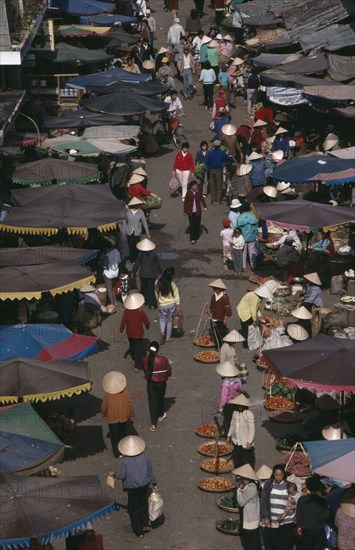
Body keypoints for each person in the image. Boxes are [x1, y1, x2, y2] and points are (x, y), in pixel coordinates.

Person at [108, 436, 158, 538]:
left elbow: (122, 475)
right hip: (144, 485)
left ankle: (139, 531)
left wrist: (114, 474)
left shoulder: (124, 461)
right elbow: (150, 471)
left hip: (132, 488)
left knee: (134, 509)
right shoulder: (145, 456)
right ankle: (145, 524)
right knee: (143, 505)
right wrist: (154, 484)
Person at [101, 371, 135, 458]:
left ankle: (116, 453)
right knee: (123, 434)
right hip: (124, 417)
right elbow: (130, 405)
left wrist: (104, 415)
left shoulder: (108, 395)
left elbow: (104, 407)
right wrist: (131, 414)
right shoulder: (126, 393)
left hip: (112, 418)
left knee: (114, 436)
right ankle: (123, 450)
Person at [261, 464, 294, 550]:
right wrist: (265, 516)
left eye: (280, 475)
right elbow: (264, 501)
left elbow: (294, 501)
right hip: (273, 520)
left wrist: (285, 513)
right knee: (273, 543)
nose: (278, 477)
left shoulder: (289, 485)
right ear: (273, 474)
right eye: (276, 475)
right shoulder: (268, 485)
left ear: (284, 475)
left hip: (286, 521)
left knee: (284, 545)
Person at [143, 341, 172, 432]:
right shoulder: (164, 359)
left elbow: (145, 370)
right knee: (160, 398)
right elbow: (169, 372)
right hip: (162, 383)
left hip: (151, 383)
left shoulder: (145, 359)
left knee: (152, 402)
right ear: (157, 349)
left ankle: (153, 424)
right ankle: (160, 414)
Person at [296, 476, 329, 550]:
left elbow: (299, 514)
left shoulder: (302, 499)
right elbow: (326, 515)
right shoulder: (322, 500)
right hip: (319, 529)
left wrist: (299, 526)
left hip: (306, 529)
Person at [119, 293, 150, 372]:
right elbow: (145, 320)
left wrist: (121, 331)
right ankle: (138, 366)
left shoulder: (126, 311)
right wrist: (147, 325)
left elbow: (123, 322)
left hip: (129, 332)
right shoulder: (140, 311)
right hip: (138, 333)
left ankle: (133, 358)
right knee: (138, 349)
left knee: (132, 345)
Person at [234, 464, 262, 550]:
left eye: (247, 478)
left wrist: (238, 490)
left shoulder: (252, 488)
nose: (244, 479)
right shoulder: (248, 486)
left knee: (252, 543)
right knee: (250, 542)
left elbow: (241, 502)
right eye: (243, 477)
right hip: (248, 518)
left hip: (251, 520)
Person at [227, 393, 255, 469]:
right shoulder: (235, 413)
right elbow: (232, 425)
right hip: (236, 440)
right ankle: (239, 473)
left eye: (241, 405)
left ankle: (249, 475)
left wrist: (249, 442)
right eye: (238, 405)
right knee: (237, 458)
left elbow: (252, 430)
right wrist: (229, 436)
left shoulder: (249, 414)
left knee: (246, 460)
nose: (239, 407)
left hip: (245, 442)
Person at [132, 238, 162, 309]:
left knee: (144, 288)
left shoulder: (140, 254)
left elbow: (137, 264)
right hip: (151, 274)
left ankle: (146, 300)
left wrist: (133, 272)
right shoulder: (154, 254)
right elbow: (158, 264)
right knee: (151, 288)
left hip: (142, 274)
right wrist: (160, 272)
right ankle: (152, 303)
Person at [155, 267, 180, 345]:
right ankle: (168, 337)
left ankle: (163, 333)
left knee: (162, 319)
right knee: (169, 321)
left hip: (162, 305)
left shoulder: (157, 283)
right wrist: (178, 305)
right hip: (171, 305)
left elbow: (156, 293)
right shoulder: (172, 284)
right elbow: (176, 295)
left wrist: (158, 301)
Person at [216, 359, 241, 434]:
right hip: (236, 402)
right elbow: (239, 390)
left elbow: (224, 397)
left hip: (229, 404)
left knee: (227, 420)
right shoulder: (238, 380)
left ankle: (228, 436)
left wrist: (221, 408)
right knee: (233, 419)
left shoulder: (226, 384)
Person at [206, 140, 231, 205]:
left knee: (212, 185)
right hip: (219, 170)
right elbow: (228, 159)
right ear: (219, 146)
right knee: (219, 185)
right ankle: (218, 200)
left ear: (214, 145)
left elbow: (207, 162)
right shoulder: (222, 153)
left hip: (211, 170)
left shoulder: (210, 153)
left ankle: (213, 200)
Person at [209, 278, 232, 346]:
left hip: (221, 318)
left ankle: (223, 345)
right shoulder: (214, 296)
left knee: (222, 332)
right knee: (215, 331)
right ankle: (217, 344)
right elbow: (211, 305)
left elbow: (227, 309)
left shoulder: (225, 297)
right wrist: (210, 312)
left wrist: (225, 317)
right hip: (214, 316)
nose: (215, 289)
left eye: (216, 288)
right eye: (214, 288)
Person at [125, 198, 150, 263]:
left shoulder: (140, 212)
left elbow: (144, 222)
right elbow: (124, 222)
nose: (138, 206)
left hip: (137, 232)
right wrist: (123, 230)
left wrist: (147, 232)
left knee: (136, 246)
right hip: (129, 232)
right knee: (131, 246)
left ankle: (136, 259)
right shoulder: (127, 212)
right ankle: (132, 259)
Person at [183, 180, 207, 244]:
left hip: (198, 211)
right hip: (190, 212)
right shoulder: (188, 193)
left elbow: (202, 199)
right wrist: (185, 211)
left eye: (196, 186)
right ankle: (192, 238)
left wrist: (205, 207)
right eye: (194, 186)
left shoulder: (199, 192)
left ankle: (196, 236)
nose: (195, 187)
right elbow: (186, 203)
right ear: (191, 187)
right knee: (192, 225)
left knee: (197, 224)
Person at [237, 204, 259, 271]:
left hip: (243, 238)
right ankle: (253, 266)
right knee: (252, 252)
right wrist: (256, 235)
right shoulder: (253, 217)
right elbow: (256, 228)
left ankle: (244, 267)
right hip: (252, 237)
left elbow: (238, 228)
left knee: (243, 252)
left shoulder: (240, 217)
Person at [102, 239, 120, 307]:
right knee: (112, 287)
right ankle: (115, 301)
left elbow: (105, 266)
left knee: (109, 289)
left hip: (108, 274)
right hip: (115, 273)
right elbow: (119, 261)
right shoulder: (117, 252)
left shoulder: (106, 255)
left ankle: (112, 303)